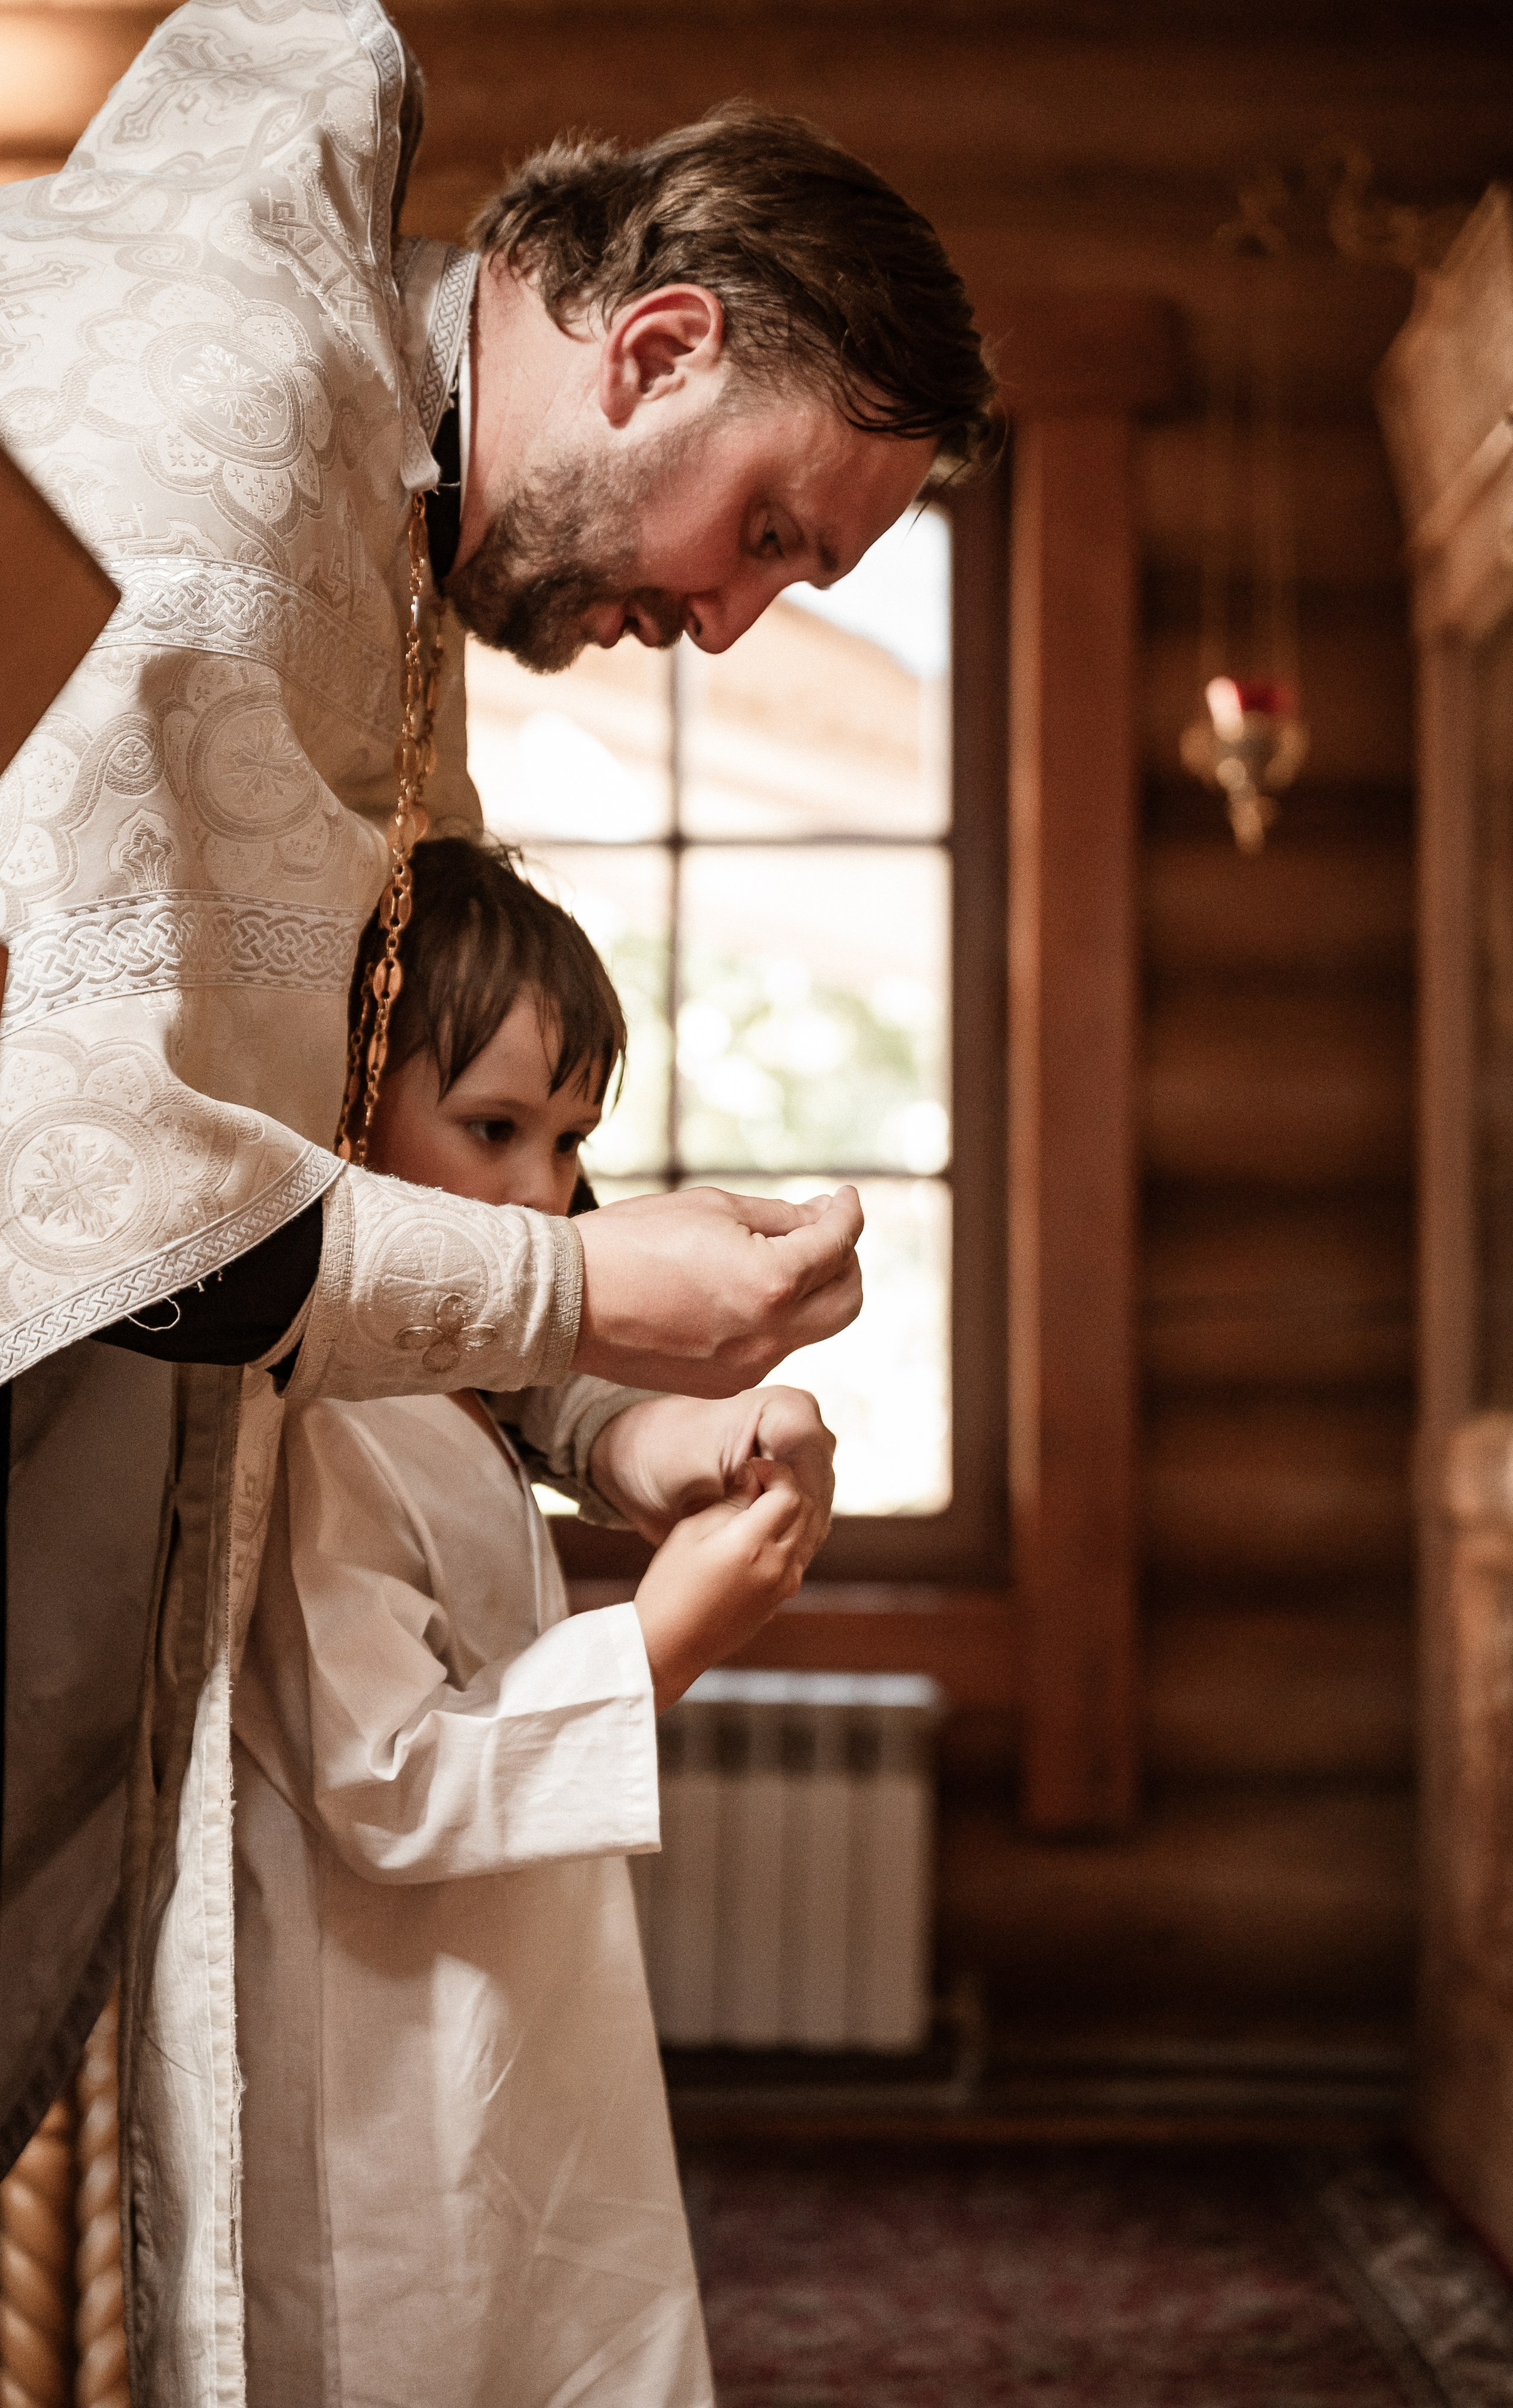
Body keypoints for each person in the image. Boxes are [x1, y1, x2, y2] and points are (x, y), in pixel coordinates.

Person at [0, 0, 997, 2391]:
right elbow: (90, 1177)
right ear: (652, 343)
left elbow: (332, 1132)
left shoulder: (388, 509)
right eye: (763, 526)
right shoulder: (230, 450)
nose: (737, 617)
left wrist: (609, 1421)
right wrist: (580, 1282)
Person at [234, 840, 811, 2405]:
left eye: (566, 1146)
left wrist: (659, 1445)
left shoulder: (442, 1387)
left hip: (507, 1991)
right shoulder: (305, 1425)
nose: (539, 1200)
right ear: (349, 1108)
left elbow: (545, 1376)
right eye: (489, 1129)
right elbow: (387, 1776)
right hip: (372, 2055)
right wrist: (659, 1640)